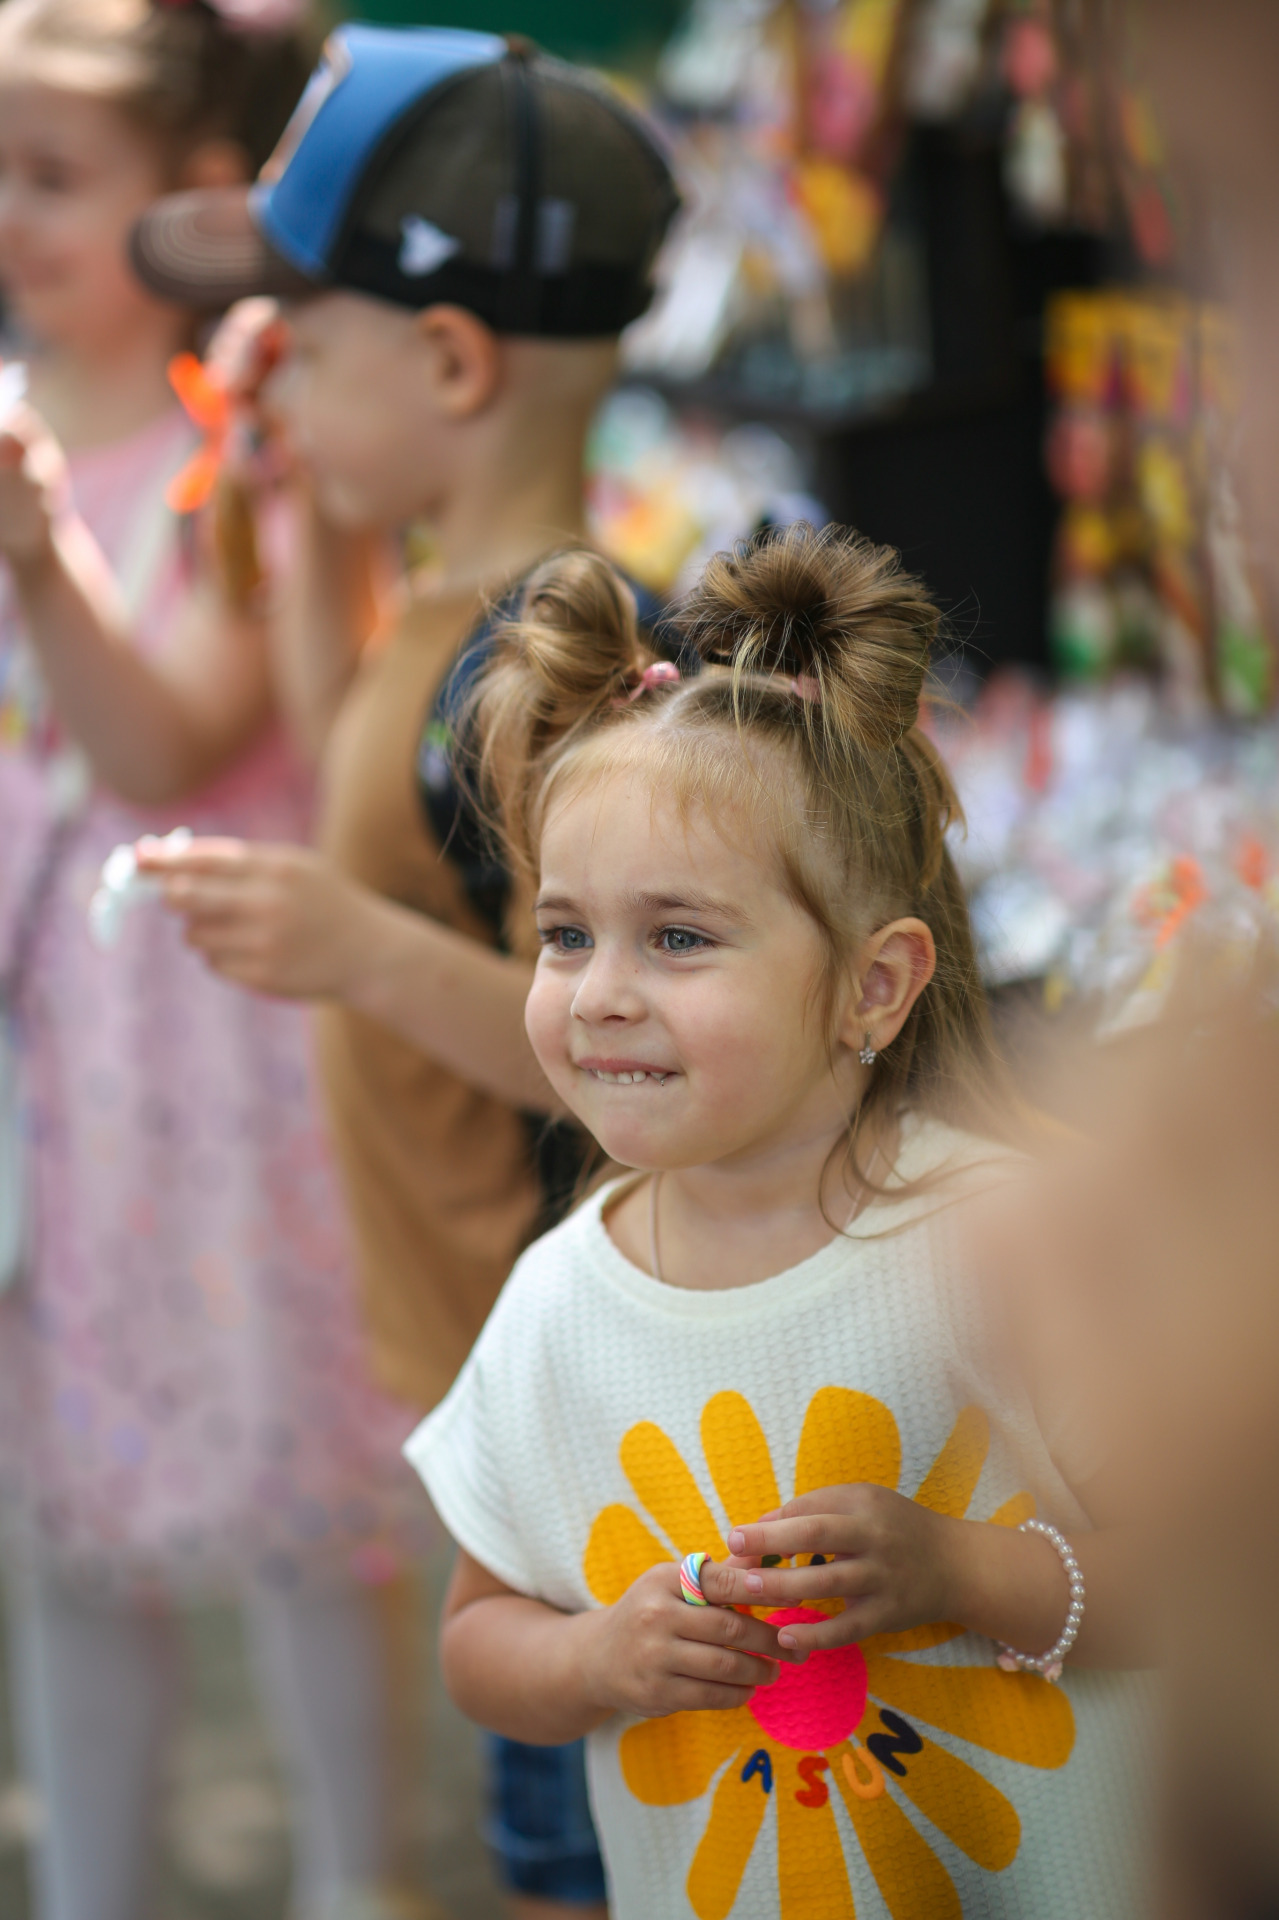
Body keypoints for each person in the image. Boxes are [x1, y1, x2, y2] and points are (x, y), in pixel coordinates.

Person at [404, 524, 1157, 1920]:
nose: (602, 992)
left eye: (678, 937)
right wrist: (598, 1662)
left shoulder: (1003, 1241)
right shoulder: (559, 1302)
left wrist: (960, 1570)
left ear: (876, 987)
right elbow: (478, 1638)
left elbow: (1204, 1584)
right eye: (567, 935)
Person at [130, 26, 680, 1917]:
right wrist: (302, 520)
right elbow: (347, 749)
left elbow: (636, 1059)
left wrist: (355, 952)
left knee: (581, 1842)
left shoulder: (539, 672)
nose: (252, 369)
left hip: (585, 1430)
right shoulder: (445, 606)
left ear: (449, 360)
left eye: (302, 330)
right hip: (497, 1384)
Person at [0, 3, 433, 1917]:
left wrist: (35, 566)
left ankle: (358, 1879)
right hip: (45, 1054)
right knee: (70, 1513)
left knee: (282, 1490)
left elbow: (164, 743)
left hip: (204, 1033)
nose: (9, 218)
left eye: (54, 179)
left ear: (189, 199)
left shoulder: (245, 446)